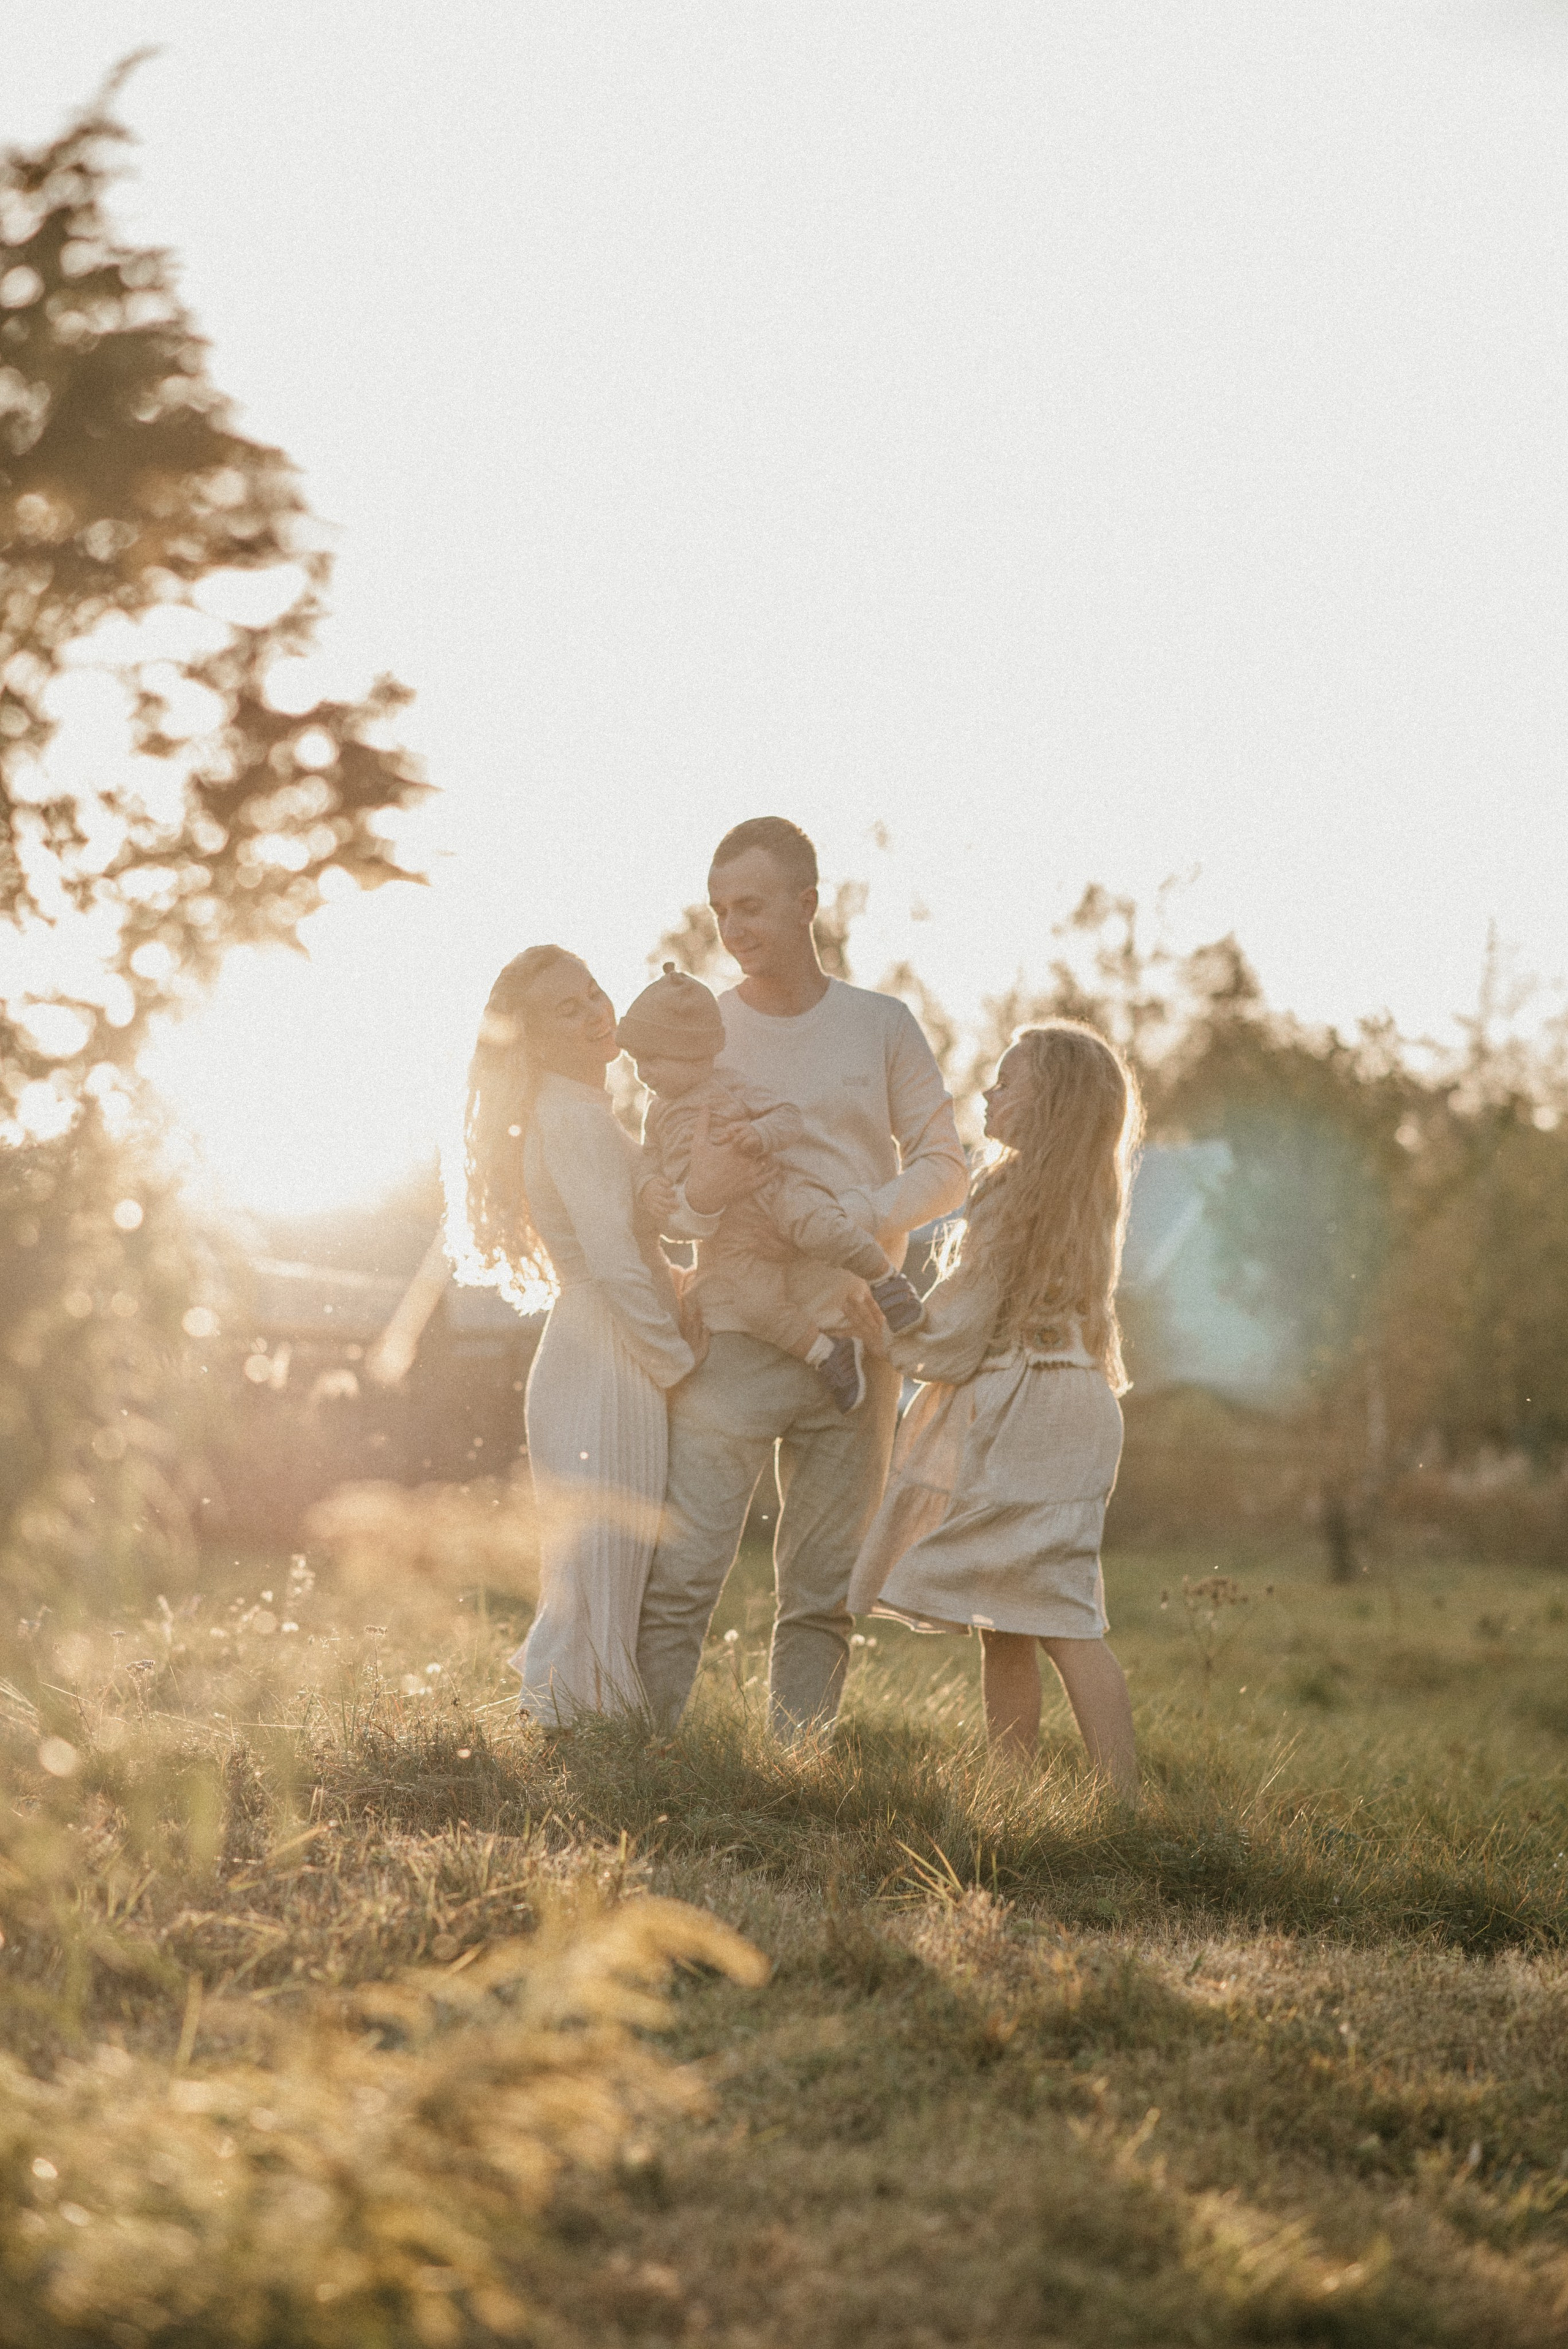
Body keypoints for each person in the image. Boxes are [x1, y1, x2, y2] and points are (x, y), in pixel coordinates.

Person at [635, 817, 968, 1740]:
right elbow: (662, 1196)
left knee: (821, 1596)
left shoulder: (882, 1025)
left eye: (751, 905)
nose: (732, 926)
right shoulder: (700, 1030)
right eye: (719, 909)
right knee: (684, 1575)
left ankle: (797, 1780)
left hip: (860, 1339)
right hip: (734, 1341)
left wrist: (854, 1216)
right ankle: (644, 1762)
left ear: (808, 903)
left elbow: (948, 1165)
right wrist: (700, 1204)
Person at [457, 945, 755, 1724]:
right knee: (599, 1560)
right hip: (605, 1355)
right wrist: (677, 1363)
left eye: (593, 991)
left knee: (605, 1562)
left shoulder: (590, 1113)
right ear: (533, 1039)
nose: (595, 1009)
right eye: (567, 1007)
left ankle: (581, 1729)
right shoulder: (570, 1119)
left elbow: (662, 1222)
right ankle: (572, 1730)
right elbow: (618, 1263)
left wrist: (713, 1192)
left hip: (609, 1348)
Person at [848, 1021, 1143, 1798]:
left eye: (1007, 1082)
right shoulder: (1087, 1192)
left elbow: (961, 1325)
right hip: (1077, 1400)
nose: (987, 1091)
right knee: (1029, 1609)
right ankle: (1061, 1796)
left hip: (1031, 1412)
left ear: (1048, 1105)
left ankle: (1086, 1798)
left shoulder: (1010, 1193)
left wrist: (888, 1311)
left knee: (1052, 1619)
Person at [617, 961, 925, 1415]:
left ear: (696, 1054)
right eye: (638, 1061)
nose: (644, 1072)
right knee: (755, 1305)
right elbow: (649, 1157)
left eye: (654, 1059)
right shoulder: (657, 1113)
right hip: (731, 1229)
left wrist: (759, 1134)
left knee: (824, 1228)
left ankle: (887, 1282)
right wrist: (647, 1186)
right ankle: (825, 1354)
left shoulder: (729, 1084)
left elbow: (787, 1117)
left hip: (776, 1188)